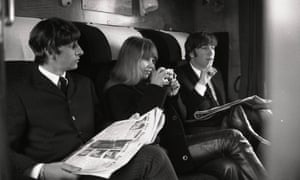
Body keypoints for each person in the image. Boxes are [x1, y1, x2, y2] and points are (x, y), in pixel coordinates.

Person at [6, 17, 179, 180]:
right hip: (56, 172)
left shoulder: (84, 84)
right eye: (73, 46)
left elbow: (100, 124)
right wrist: (40, 170)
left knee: (154, 155)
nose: (81, 51)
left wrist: (125, 127)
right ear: (49, 50)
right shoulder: (18, 91)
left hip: (94, 167)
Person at [104, 36, 268, 180]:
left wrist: (172, 96)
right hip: (164, 152)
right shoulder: (117, 91)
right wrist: (156, 89)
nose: (151, 65)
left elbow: (177, 120)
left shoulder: (147, 87)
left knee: (241, 129)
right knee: (232, 136)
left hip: (177, 143)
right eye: (146, 59)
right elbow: (135, 126)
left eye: (153, 60)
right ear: (130, 60)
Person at [175, 32, 271, 149]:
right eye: (204, 48)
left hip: (223, 120)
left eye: (213, 48)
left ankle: (266, 149)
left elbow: (223, 103)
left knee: (264, 113)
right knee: (247, 121)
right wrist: (202, 83)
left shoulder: (216, 73)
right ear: (191, 53)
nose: (211, 53)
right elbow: (189, 111)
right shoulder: (179, 75)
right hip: (203, 126)